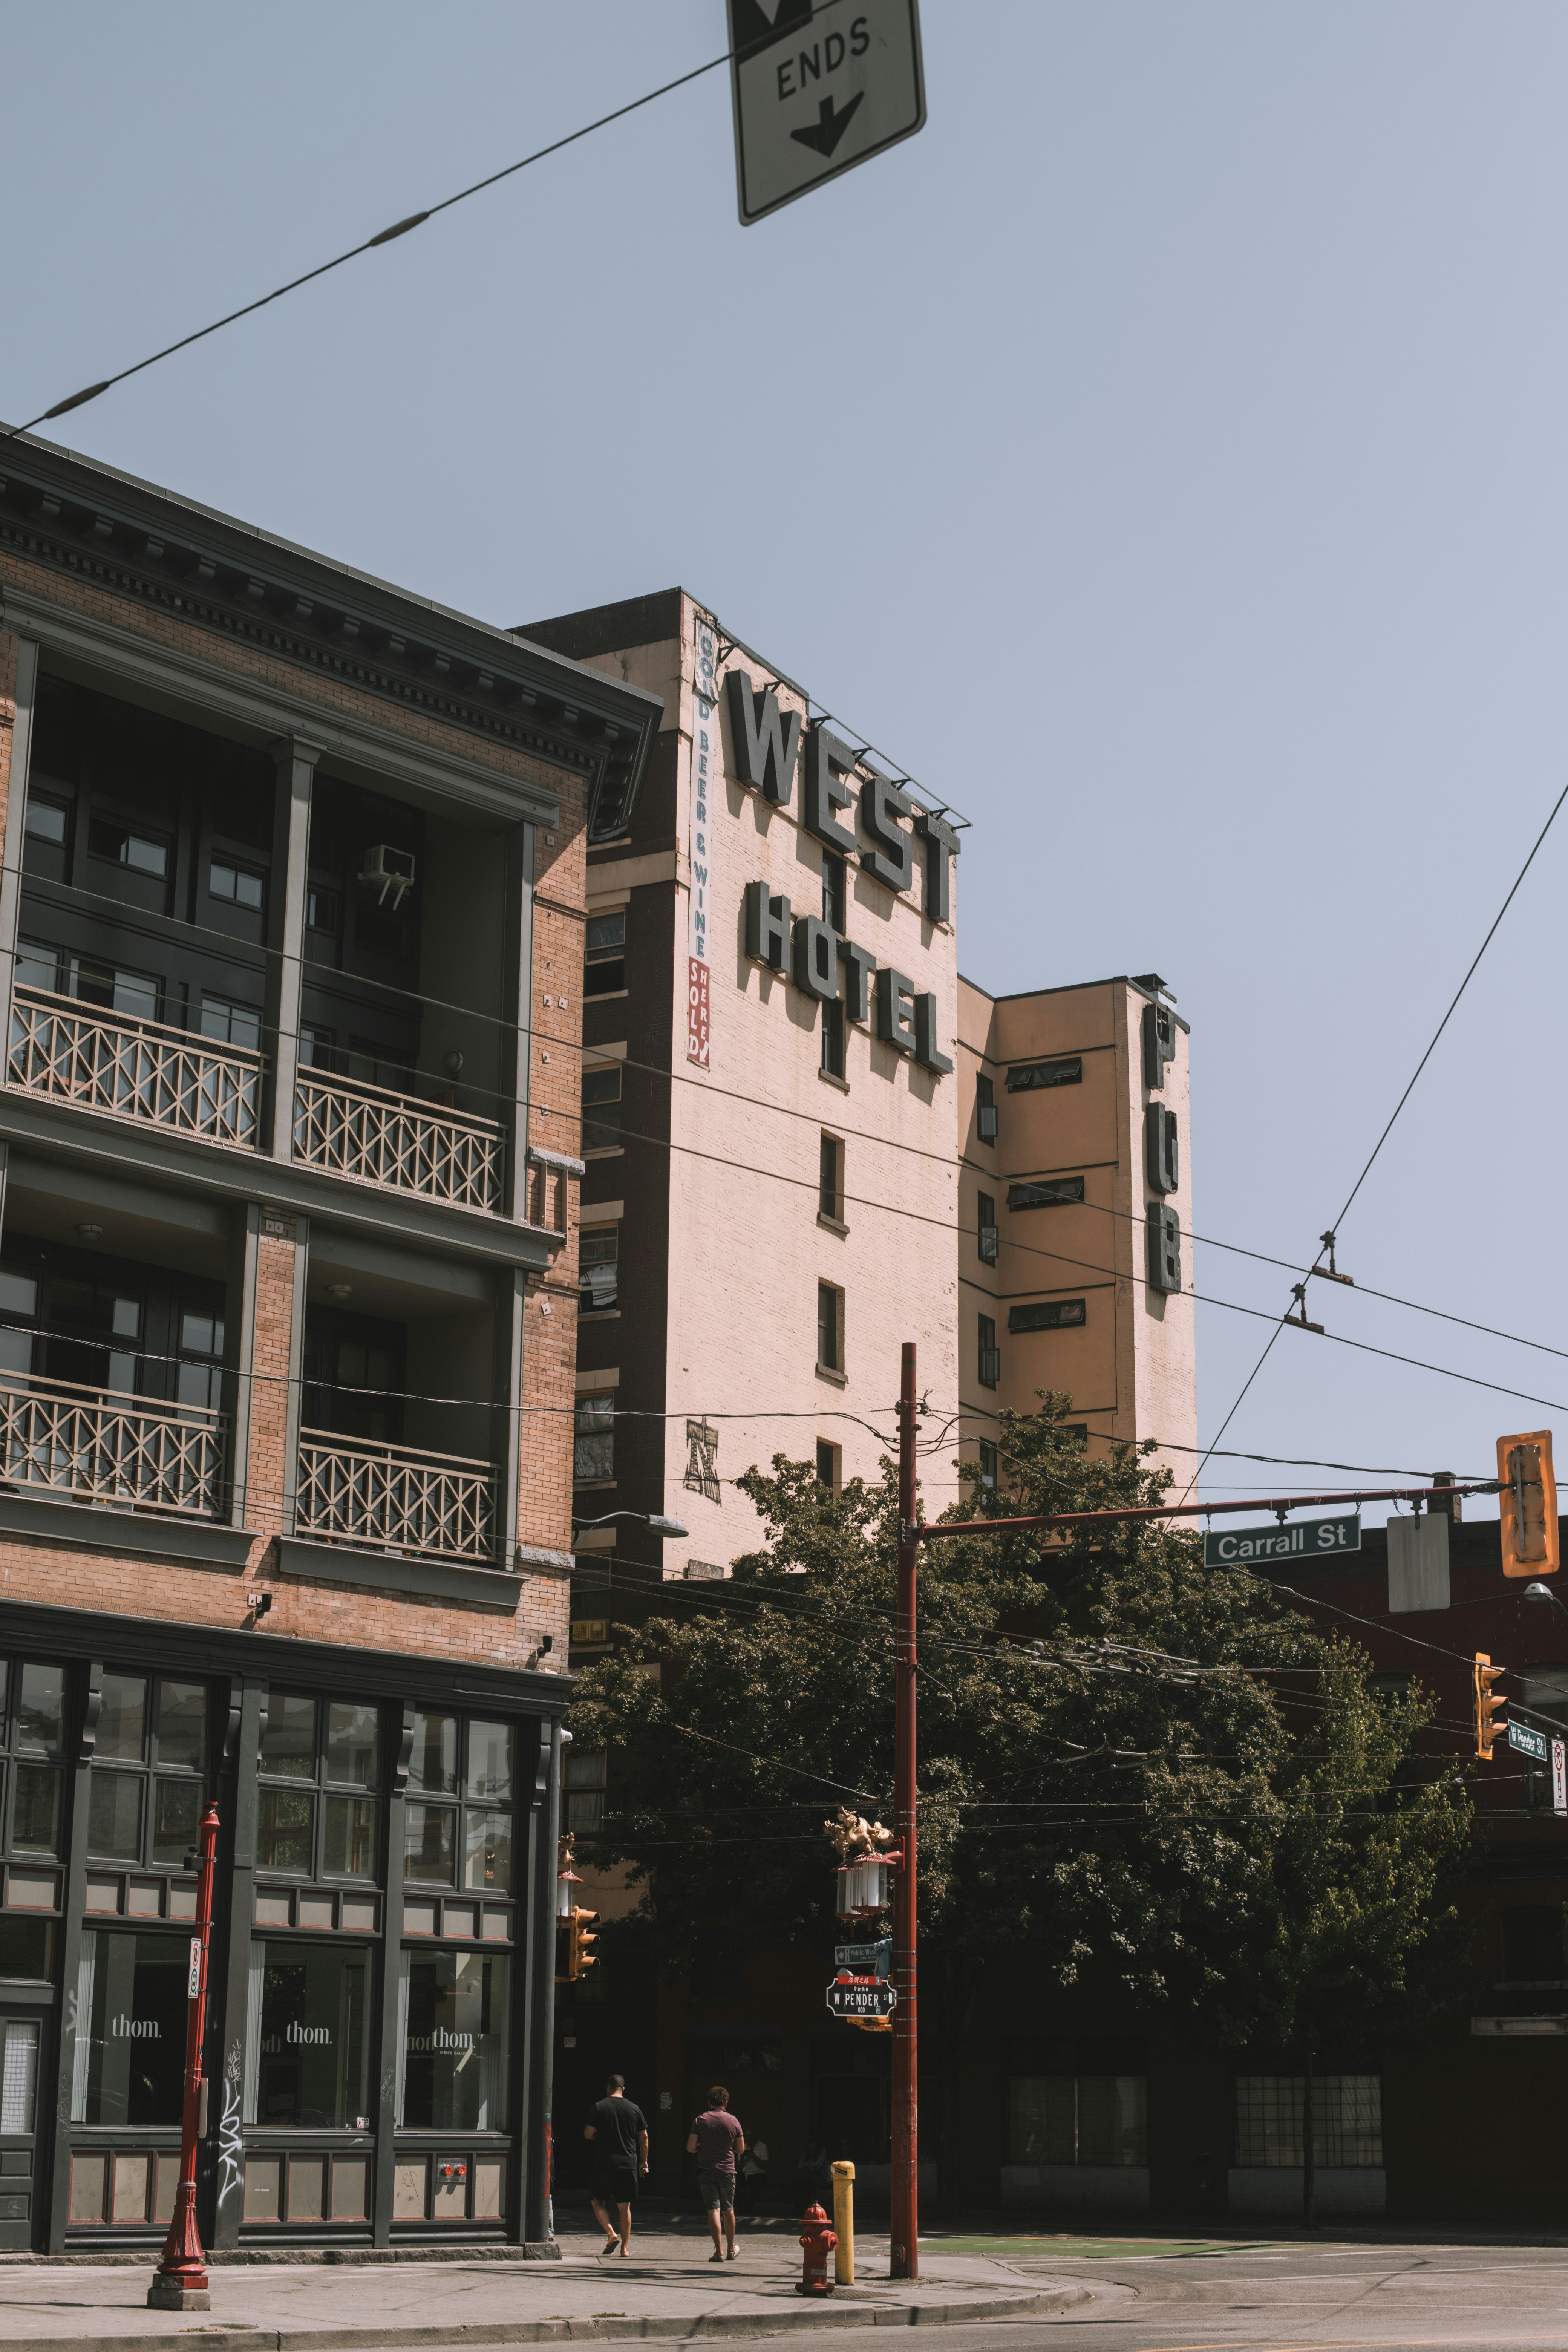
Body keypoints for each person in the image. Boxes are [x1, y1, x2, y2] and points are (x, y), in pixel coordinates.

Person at [585, 2073, 648, 2256]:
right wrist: (643, 2161)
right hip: (628, 2163)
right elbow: (644, 2137)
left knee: (598, 2202)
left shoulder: (599, 2107)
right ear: (623, 2089)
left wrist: (598, 2134)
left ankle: (611, 2233)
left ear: (608, 2087)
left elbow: (588, 2134)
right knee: (625, 2207)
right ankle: (625, 2249)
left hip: (605, 2163)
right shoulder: (634, 2108)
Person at [686, 2082, 745, 2262]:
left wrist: (701, 2148)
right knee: (729, 2209)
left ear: (709, 2102)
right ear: (726, 2102)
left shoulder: (700, 2120)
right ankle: (731, 2249)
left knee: (713, 2210)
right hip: (727, 2171)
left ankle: (718, 2252)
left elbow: (690, 2148)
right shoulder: (734, 2121)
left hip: (706, 2170)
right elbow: (741, 2150)